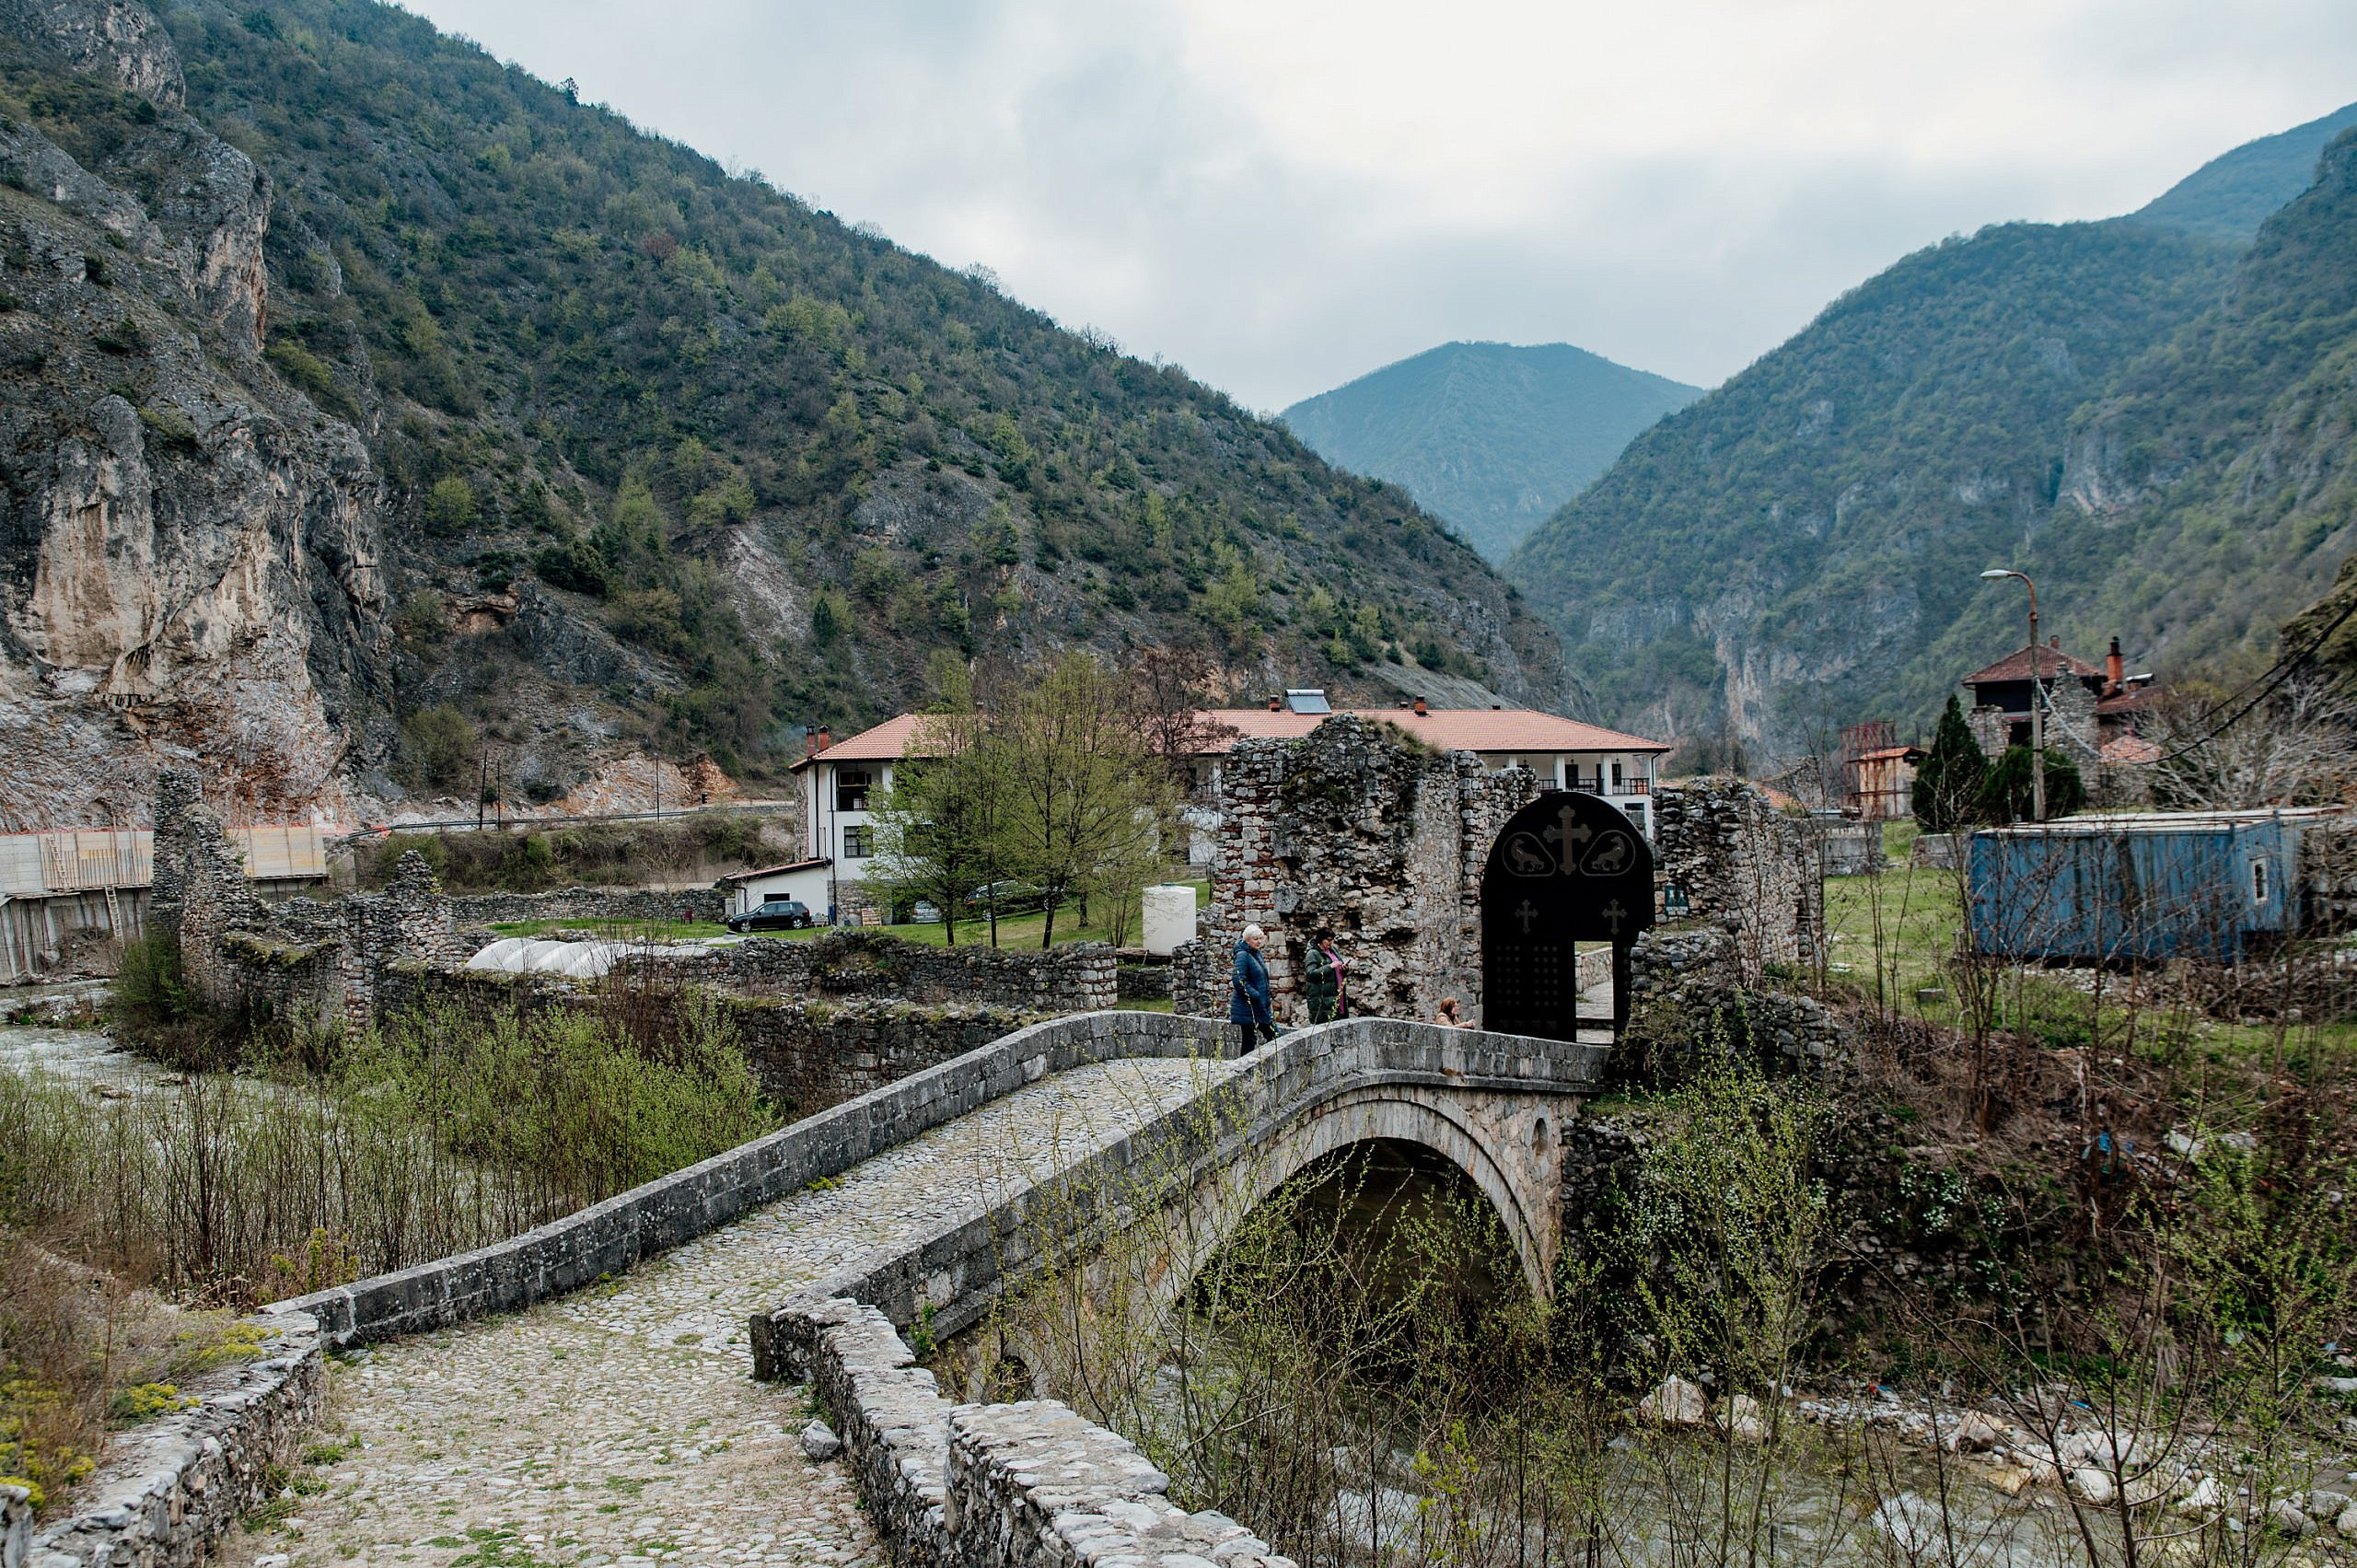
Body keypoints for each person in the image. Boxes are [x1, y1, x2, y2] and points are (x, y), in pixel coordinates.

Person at [1229, 923, 1274, 1052]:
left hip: (1259, 1005)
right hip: (1249, 1006)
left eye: (1260, 938)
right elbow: (1238, 980)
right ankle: (1243, 1069)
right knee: (1262, 1037)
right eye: (1255, 939)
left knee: (1258, 1038)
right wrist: (1255, 995)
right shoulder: (1243, 955)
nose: (1259, 941)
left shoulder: (1255, 954)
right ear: (1247, 940)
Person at [1302, 930, 1345, 1026]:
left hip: (1337, 994)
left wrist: (1344, 968)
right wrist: (1329, 967)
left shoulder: (1333, 950)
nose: (1330, 942)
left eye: (1332, 940)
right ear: (1321, 939)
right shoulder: (1312, 953)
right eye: (1328, 940)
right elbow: (1311, 974)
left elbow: (1338, 967)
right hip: (1323, 999)